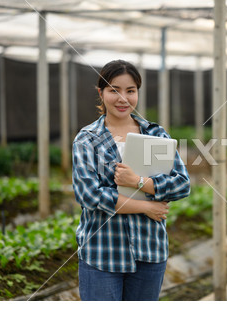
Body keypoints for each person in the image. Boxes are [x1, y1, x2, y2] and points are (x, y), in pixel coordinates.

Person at [72, 60, 190, 301]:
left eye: (130, 91)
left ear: (138, 92)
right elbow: (89, 195)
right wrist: (147, 206)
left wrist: (138, 181)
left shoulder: (155, 134)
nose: (122, 98)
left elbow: (181, 183)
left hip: (149, 250)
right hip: (102, 253)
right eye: (114, 90)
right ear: (101, 93)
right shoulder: (87, 139)